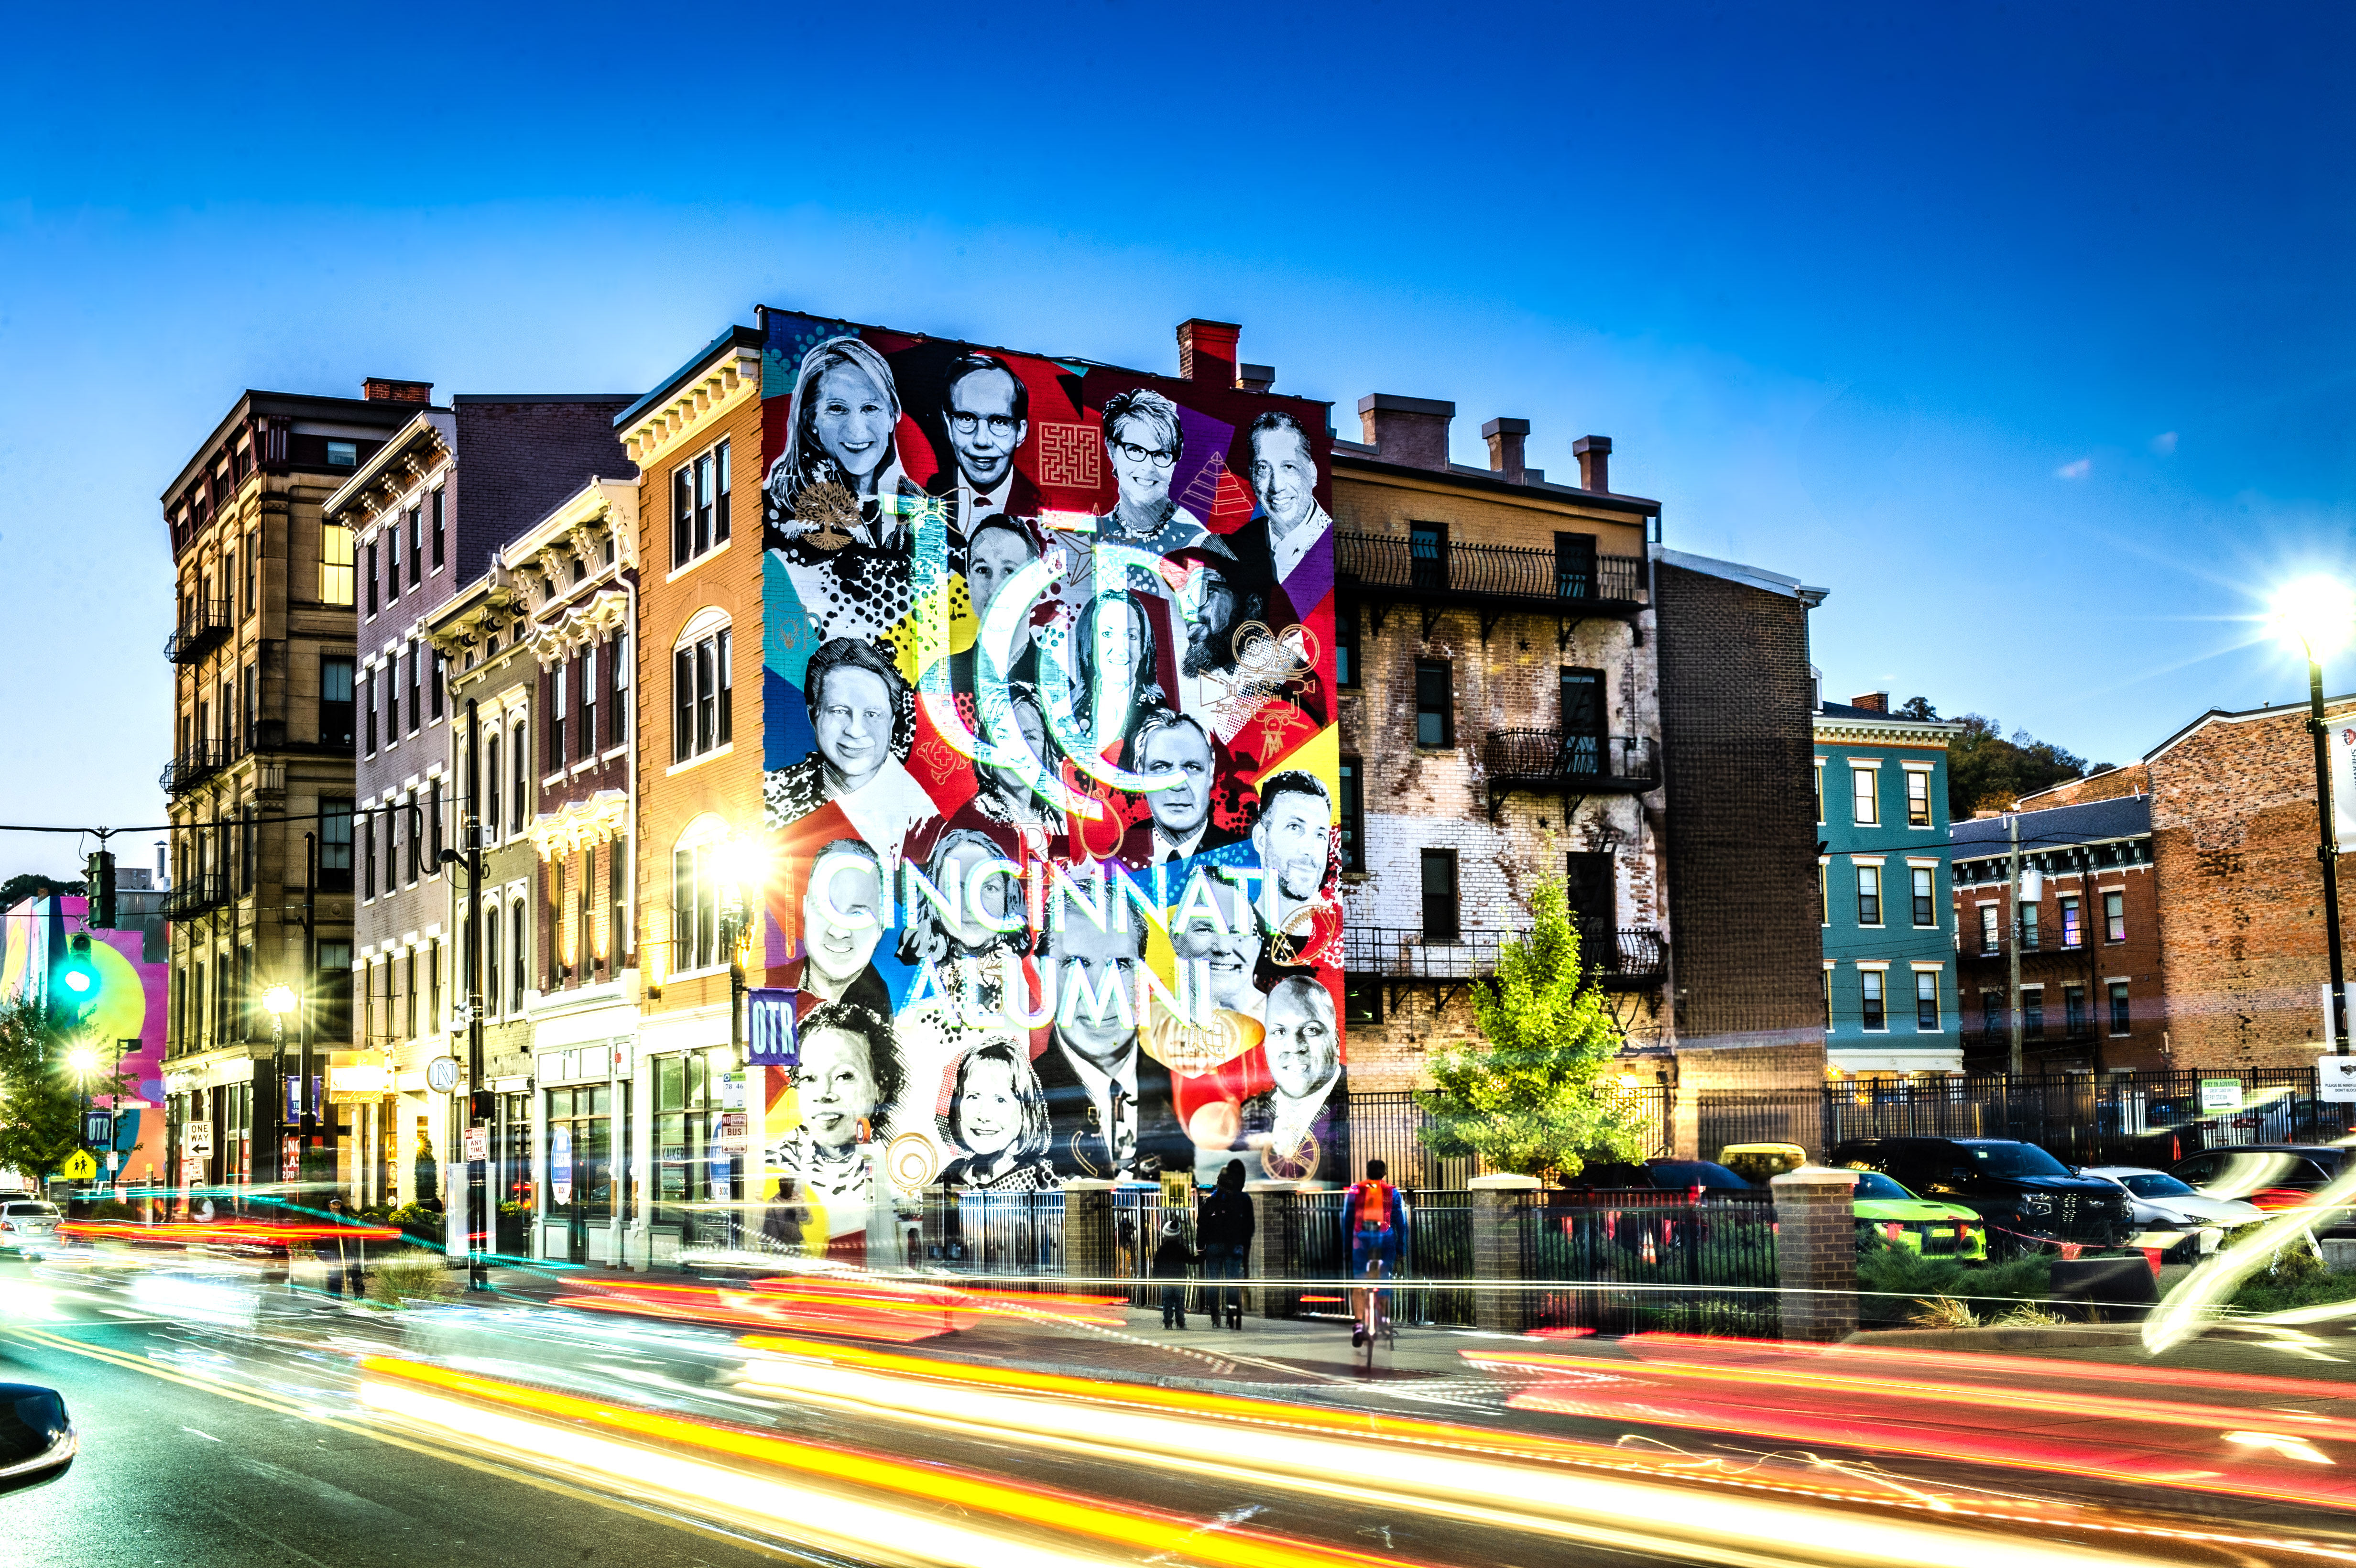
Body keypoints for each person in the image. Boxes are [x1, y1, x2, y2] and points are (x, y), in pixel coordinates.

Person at [1034, 912, 1189, 1181]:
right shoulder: (1020, 1094)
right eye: (1075, 963)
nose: (1098, 992)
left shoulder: (1189, 1089)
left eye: (1120, 965)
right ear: (1042, 973)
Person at [764, 638, 931, 851]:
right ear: (813, 716)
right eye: (839, 711)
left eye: (872, 714)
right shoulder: (774, 795)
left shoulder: (925, 815)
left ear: (892, 723)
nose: (855, 730)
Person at [769, 1001, 904, 1252]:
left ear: (880, 1085)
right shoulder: (774, 1165)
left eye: (843, 1076)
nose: (823, 1094)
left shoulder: (902, 1164)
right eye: (808, 1078)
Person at [763, 336, 916, 550]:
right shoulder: (779, 509)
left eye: (870, 408)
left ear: (893, 416)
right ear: (810, 420)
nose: (857, 428)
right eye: (837, 409)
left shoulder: (921, 515)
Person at [1237, 977, 1346, 1182]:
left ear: (1337, 1041)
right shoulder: (1247, 1114)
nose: (1294, 1047)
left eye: (1311, 1030)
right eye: (1279, 1032)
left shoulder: (1358, 1102)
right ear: (1266, 1045)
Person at [927, 353, 1040, 528]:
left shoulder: (1043, 508)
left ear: (1021, 432)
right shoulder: (922, 498)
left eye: (999, 421)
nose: (982, 440)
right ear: (949, 425)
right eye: (966, 419)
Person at [1118, 709, 1243, 868]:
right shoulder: (1117, 854)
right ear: (1141, 774)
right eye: (1161, 767)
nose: (1178, 785)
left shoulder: (1241, 854)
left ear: (1211, 772)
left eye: (1192, 767)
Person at [938, 1041, 1060, 1192]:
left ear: (1026, 1111)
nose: (984, 1116)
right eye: (973, 1097)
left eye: (1000, 1100)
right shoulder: (951, 1174)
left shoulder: (1040, 1180)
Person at [1095, 388, 1201, 556]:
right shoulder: (1088, 536)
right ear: (1112, 450)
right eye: (1136, 450)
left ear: (1174, 462)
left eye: (1161, 454)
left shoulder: (1197, 542)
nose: (1148, 467)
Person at [794, 839, 893, 1016]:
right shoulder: (773, 990)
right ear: (805, 908)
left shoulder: (889, 1015)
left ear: (883, 924)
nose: (838, 932)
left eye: (857, 915)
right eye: (825, 908)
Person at [951, 515, 1042, 696]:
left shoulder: (1058, 685)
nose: (995, 588)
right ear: (969, 579)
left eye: (1009, 571)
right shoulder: (941, 678)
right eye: (983, 570)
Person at [1243, 410, 1329, 588]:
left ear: (1312, 474)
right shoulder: (1239, 547)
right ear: (1252, 476)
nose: (1277, 486)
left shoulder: (1326, 542)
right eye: (1263, 468)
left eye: (1289, 467)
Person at [1251, 770, 1335, 940]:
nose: (1310, 849)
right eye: (1294, 827)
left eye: (1320, 835)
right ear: (1261, 839)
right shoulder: (1233, 945)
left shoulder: (1328, 941)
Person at [1344, 1158, 1409, 1348]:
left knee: (1359, 1280)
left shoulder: (1356, 1190)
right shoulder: (1392, 1193)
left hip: (1361, 1240)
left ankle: (1358, 1325)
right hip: (1384, 1239)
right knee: (1383, 1280)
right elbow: (1401, 1223)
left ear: (1367, 1172)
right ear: (1384, 1173)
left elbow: (1347, 1220)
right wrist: (1401, 1248)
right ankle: (1384, 1324)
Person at [1197, 1158, 1255, 1330]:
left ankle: (1215, 1317)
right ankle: (1231, 1317)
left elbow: (1202, 1227)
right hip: (1232, 1247)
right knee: (1232, 1283)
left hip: (1213, 1247)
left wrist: (1200, 1247)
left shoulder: (1209, 1202)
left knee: (1213, 1283)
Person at [1152, 1213, 1199, 1329]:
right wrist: (1202, 1257)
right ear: (1178, 1235)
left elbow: (1157, 1263)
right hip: (1179, 1278)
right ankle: (1181, 1323)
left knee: (1167, 1302)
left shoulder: (1162, 1249)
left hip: (1166, 1279)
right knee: (1179, 1302)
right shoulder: (1181, 1248)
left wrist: (1155, 1277)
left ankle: (1168, 1323)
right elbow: (1190, 1260)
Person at [321, 1196, 366, 1300]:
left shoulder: (343, 1217)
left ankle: (359, 1291)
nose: (336, 1207)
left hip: (344, 1247)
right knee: (335, 1269)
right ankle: (336, 1296)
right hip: (331, 1248)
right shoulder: (325, 1218)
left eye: (338, 1205)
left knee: (355, 1265)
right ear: (329, 1205)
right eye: (334, 1204)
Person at [760, 1175, 808, 1256]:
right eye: (782, 1185)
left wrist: (797, 1212)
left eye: (787, 1185)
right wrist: (764, 1245)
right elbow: (767, 1223)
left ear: (792, 1186)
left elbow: (805, 1218)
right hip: (777, 1241)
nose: (784, 1188)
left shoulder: (798, 1200)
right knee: (778, 1266)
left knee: (793, 1266)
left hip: (793, 1240)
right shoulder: (772, 1201)